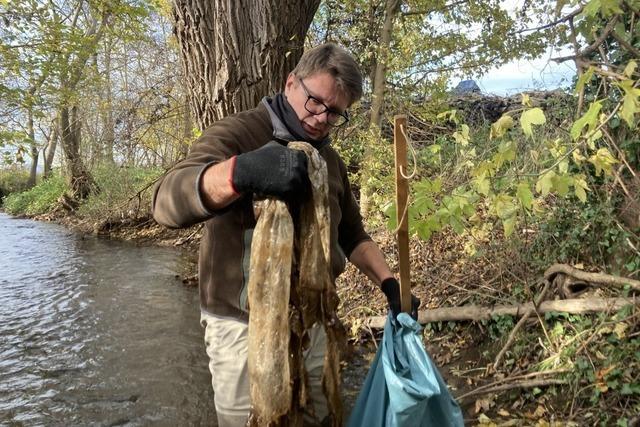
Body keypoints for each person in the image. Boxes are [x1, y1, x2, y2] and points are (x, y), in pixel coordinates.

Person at [151, 43, 419, 427]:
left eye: (335, 113)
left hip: (314, 320)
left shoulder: (328, 160)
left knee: (318, 416)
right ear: (291, 82)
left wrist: (391, 284)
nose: (321, 119)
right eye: (315, 102)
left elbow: (353, 235)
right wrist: (238, 173)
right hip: (241, 325)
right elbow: (166, 202)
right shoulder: (238, 134)